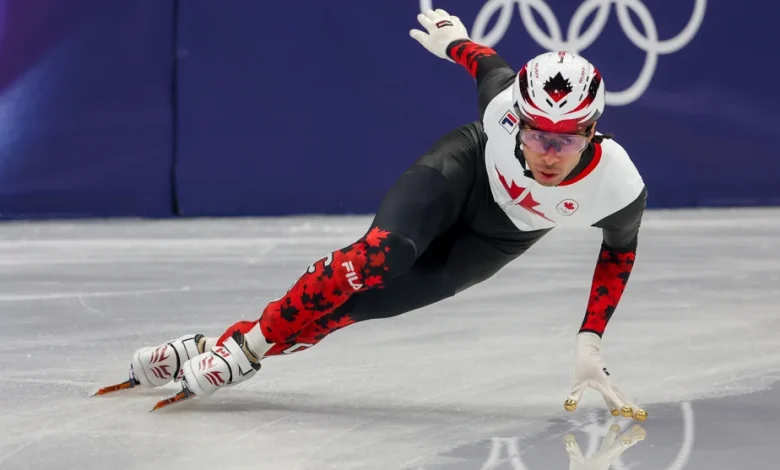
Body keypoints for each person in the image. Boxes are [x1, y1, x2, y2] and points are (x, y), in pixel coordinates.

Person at [100, 9, 647, 419]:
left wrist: (589, 339)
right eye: (535, 134)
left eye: (565, 140)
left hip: (499, 238)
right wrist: (454, 39)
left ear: (593, 129)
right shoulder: (503, 107)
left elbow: (619, 253)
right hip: (463, 172)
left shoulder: (618, 184)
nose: (548, 153)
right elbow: (486, 63)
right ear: (518, 120)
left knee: (350, 308)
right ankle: (245, 348)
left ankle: (214, 346)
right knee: (380, 256)